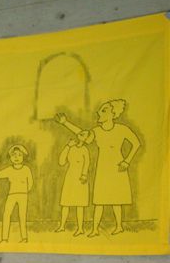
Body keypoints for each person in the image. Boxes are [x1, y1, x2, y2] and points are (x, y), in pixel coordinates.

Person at [56, 99, 141, 236]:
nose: (99, 113)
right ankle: (95, 229)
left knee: (117, 199)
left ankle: (119, 226)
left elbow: (136, 143)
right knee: (99, 200)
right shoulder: (97, 131)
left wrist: (127, 161)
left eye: (103, 110)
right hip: (102, 167)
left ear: (113, 114)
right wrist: (65, 123)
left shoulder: (122, 129)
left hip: (118, 166)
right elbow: (82, 134)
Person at [0, 144, 34, 243]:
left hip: (23, 195)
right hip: (12, 195)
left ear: (23, 157)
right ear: (11, 157)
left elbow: (30, 182)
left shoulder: (26, 169)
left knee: (22, 216)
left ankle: (24, 238)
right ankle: (4, 239)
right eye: (14, 155)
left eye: (19, 155)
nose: (16, 157)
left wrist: (25, 191)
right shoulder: (10, 169)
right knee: (6, 214)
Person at [55, 130, 92, 236]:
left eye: (84, 134)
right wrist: (67, 146)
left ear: (86, 139)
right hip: (70, 177)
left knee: (80, 204)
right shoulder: (71, 147)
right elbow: (61, 162)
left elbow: (87, 163)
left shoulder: (85, 149)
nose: (81, 134)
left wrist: (84, 175)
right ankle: (62, 226)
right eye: (81, 133)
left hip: (80, 178)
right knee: (65, 203)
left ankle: (80, 228)